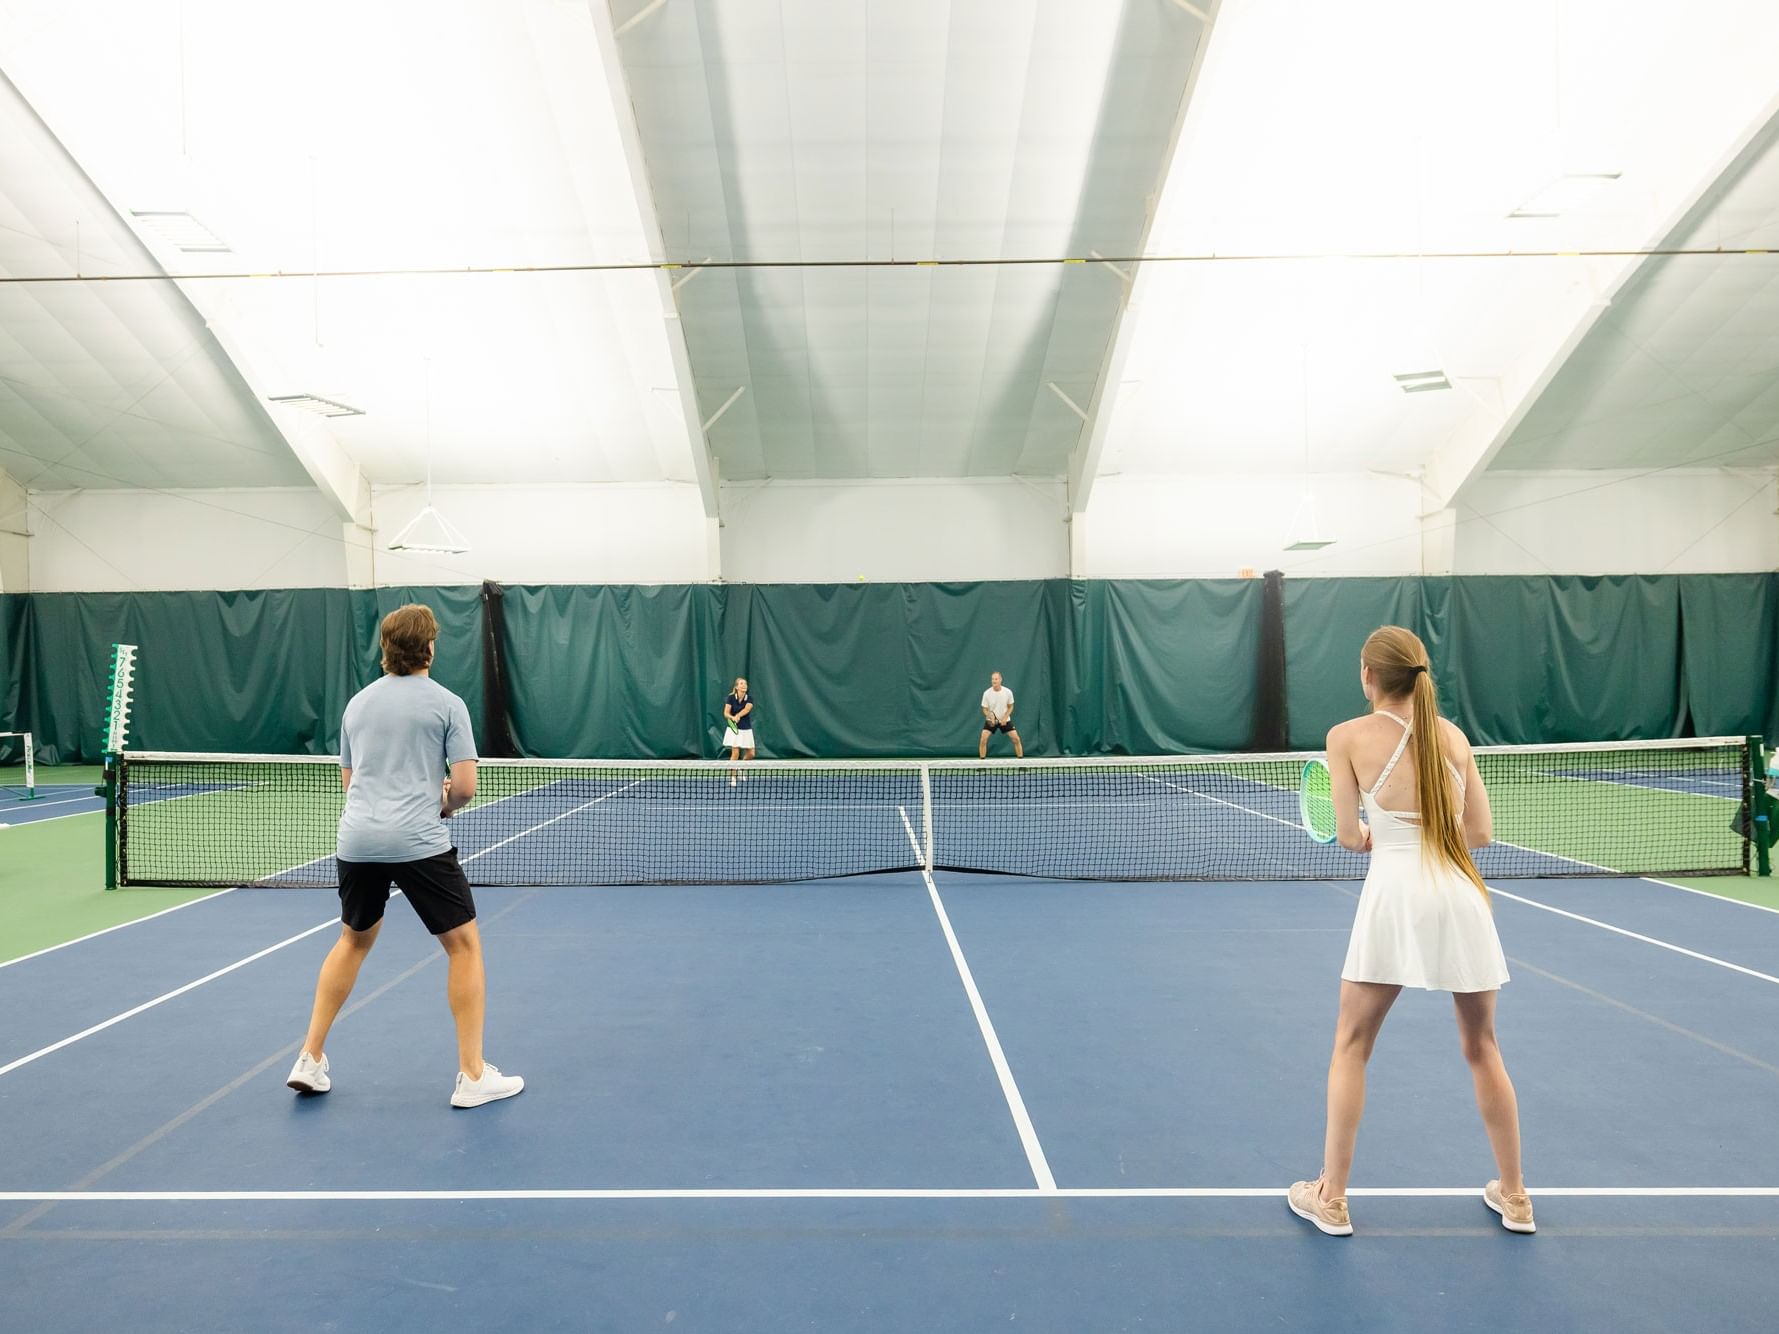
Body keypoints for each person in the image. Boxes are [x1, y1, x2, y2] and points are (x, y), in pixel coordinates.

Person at [1288, 625, 1530, 1237]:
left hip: (1394, 898)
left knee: (1351, 1045)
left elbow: (1347, 836)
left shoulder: (1344, 738)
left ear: (1368, 675)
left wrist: (1373, 835)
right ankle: (1518, 1196)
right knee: (1483, 1047)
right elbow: (1479, 833)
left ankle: (1332, 1197)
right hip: (1459, 896)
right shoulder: (1454, 738)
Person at [286, 604, 523, 1109]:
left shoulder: (357, 705)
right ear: (430, 648)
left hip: (357, 841)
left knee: (352, 941)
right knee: (463, 947)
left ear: (386, 649)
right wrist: (440, 803)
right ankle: (473, 1075)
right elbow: (463, 788)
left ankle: (309, 1057)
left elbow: (352, 785)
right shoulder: (448, 704)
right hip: (418, 841)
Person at [979, 671, 1023, 758]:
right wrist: (990, 716)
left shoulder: (1008, 692)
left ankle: (1021, 763)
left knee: (1016, 739)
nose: (994, 681)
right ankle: (981, 765)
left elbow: (1011, 706)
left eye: (996, 679)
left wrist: (1005, 717)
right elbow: (984, 708)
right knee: (983, 739)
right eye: (992, 679)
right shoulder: (986, 693)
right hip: (991, 720)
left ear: (1000, 680)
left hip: (1005, 720)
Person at [723, 677, 756, 786]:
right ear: (737, 687)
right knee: (735, 752)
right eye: (741, 683)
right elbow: (726, 713)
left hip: (746, 728)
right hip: (734, 729)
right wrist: (732, 718)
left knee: (751, 754)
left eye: (745, 683)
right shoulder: (731, 698)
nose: (744, 685)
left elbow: (747, 709)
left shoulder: (749, 698)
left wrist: (738, 715)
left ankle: (741, 767)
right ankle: (733, 777)